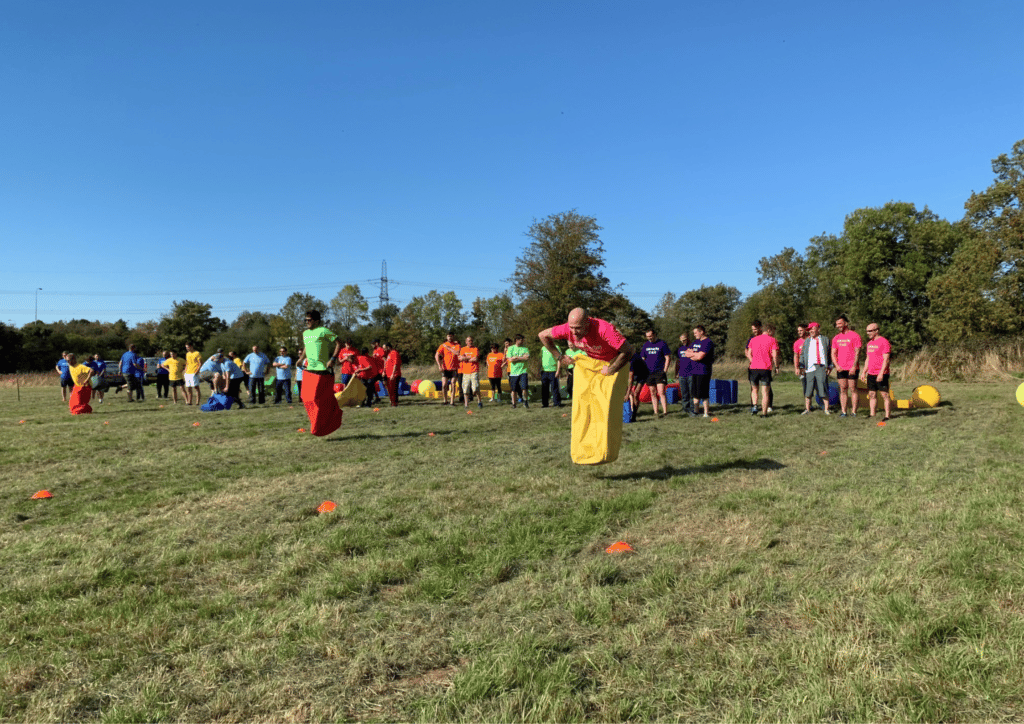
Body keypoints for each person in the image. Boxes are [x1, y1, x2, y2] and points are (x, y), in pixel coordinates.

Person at [296, 309, 343, 436]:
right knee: (305, 398)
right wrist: (301, 359)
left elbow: (339, 343)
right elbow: (306, 346)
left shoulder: (323, 331)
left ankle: (322, 425)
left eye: (309, 320)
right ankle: (316, 425)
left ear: (317, 321)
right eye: (305, 320)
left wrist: (333, 359)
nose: (307, 322)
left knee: (318, 400)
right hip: (309, 369)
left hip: (322, 370)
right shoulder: (305, 333)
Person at [831, 314, 862, 417]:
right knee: (843, 389)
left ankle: (854, 412)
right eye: (837, 324)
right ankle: (844, 412)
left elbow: (857, 352)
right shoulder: (836, 338)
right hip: (841, 368)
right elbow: (833, 353)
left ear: (846, 323)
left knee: (853, 388)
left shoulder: (855, 336)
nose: (838, 326)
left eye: (840, 323)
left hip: (852, 367)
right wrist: (837, 366)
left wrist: (854, 366)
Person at [745, 321, 779, 417]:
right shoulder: (772, 340)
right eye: (772, 331)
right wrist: (777, 366)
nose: (773, 333)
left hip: (754, 368)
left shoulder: (753, 339)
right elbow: (775, 355)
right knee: (765, 392)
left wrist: (753, 361)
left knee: (754, 389)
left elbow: (748, 353)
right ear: (769, 330)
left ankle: (755, 405)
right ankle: (764, 413)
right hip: (765, 368)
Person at [861, 322, 892, 421]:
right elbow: (868, 358)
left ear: (876, 331)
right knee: (872, 394)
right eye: (867, 331)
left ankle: (887, 416)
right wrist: (864, 372)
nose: (868, 333)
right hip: (871, 373)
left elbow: (886, 359)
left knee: (884, 395)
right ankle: (872, 414)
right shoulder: (869, 344)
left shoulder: (884, 342)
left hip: (881, 373)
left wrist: (881, 373)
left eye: (870, 331)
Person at [798, 322, 831, 415]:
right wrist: (801, 366)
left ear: (818, 329)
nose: (811, 331)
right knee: (808, 388)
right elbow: (802, 355)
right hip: (810, 367)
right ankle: (807, 409)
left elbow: (829, 353)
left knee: (823, 387)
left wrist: (830, 366)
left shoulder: (825, 339)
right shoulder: (807, 341)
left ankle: (826, 409)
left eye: (813, 329)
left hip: (821, 367)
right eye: (809, 330)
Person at [641, 328, 671, 418]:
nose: (649, 338)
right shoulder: (645, 345)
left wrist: (665, 370)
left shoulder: (662, 344)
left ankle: (665, 412)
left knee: (661, 392)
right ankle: (656, 412)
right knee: (652, 392)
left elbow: (668, 358)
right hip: (649, 372)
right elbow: (643, 358)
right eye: (647, 337)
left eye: (650, 336)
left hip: (659, 372)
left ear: (654, 335)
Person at [685, 326, 714, 417]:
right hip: (694, 371)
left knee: (704, 392)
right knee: (695, 392)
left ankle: (706, 412)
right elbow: (686, 353)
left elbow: (700, 357)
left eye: (696, 333)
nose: (694, 335)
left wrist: (693, 355)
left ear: (701, 332)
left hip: (704, 371)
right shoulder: (695, 342)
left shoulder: (708, 342)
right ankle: (696, 411)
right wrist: (695, 355)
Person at [434, 332, 462, 406]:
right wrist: (439, 365)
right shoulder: (443, 345)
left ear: (453, 336)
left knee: (453, 384)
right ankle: (445, 400)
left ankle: (452, 402)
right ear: (446, 337)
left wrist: (448, 348)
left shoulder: (457, 345)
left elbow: (457, 353)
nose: (449, 338)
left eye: (451, 336)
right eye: (448, 336)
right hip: (445, 368)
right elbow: (437, 355)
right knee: (444, 385)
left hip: (454, 368)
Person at [504, 334, 531, 409]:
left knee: (524, 388)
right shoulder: (511, 348)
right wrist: (521, 358)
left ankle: (525, 401)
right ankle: (514, 404)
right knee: (513, 390)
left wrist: (517, 358)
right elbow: (510, 359)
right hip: (514, 372)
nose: (522, 341)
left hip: (523, 371)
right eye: (521, 340)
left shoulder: (525, 348)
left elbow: (527, 358)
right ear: (517, 340)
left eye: (523, 340)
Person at [458, 336, 483, 409]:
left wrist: (465, 358)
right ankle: (466, 404)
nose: (470, 342)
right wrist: (469, 358)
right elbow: (460, 358)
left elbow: (475, 358)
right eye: (468, 341)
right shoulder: (463, 349)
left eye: (471, 341)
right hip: (465, 372)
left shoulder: (475, 349)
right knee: (465, 388)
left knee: (475, 387)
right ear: (466, 342)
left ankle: (479, 401)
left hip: (474, 371)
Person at [675, 332, 694, 416]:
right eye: (682, 341)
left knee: (692, 392)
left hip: (691, 373)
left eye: (685, 340)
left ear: (688, 338)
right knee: (684, 392)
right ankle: (685, 408)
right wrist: (676, 373)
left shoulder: (693, 347)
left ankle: (693, 408)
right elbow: (678, 362)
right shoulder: (680, 349)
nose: (683, 342)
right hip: (682, 374)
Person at [627, 350, 649, 422]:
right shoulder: (625, 359)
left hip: (643, 374)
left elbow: (630, 379)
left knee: (636, 393)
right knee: (630, 393)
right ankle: (628, 412)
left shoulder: (632, 360)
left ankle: (634, 415)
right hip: (635, 372)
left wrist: (627, 393)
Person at [539, 341, 563, 408]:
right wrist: (539, 370)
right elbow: (540, 359)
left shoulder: (556, 347)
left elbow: (559, 359)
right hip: (544, 371)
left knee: (554, 387)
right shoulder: (543, 348)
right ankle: (545, 404)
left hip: (553, 371)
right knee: (544, 388)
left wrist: (558, 370)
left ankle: (557, 403)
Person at [383, 341, 402, 407]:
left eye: (385, 348)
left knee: (393, 389)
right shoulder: (389, 354)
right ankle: (393, 402)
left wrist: (393, 374)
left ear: (388, 347)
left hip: (394, 375)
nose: (384, 349)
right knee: (390, 389)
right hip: (389, 374)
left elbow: (395, 364)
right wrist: (384, 372)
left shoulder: (394, 353)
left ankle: (394, 403)